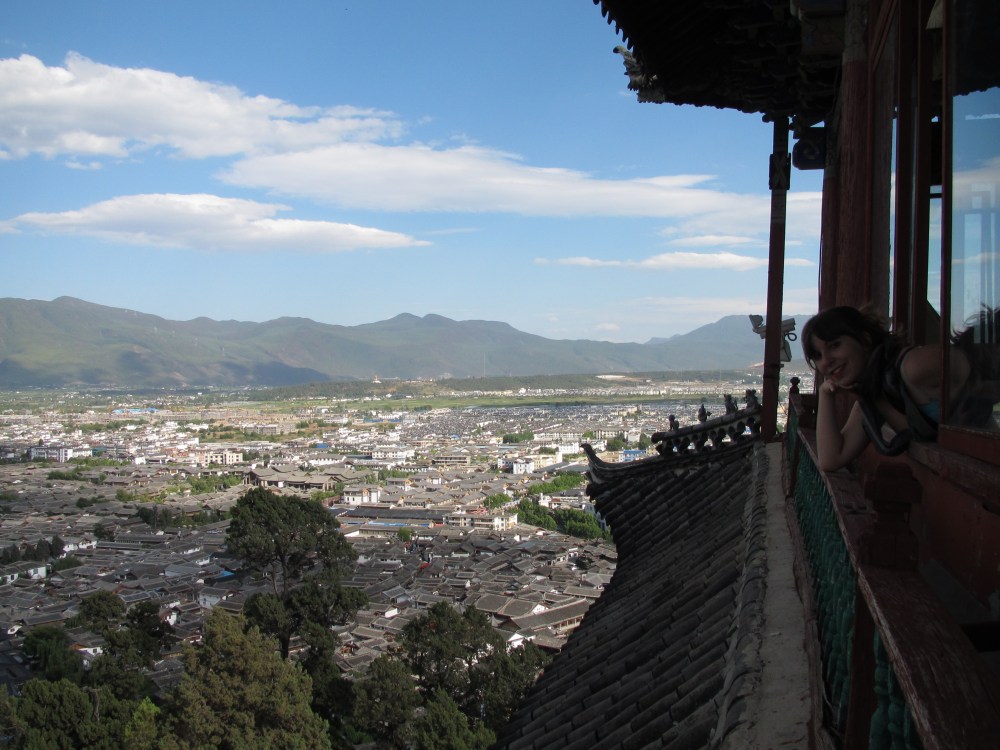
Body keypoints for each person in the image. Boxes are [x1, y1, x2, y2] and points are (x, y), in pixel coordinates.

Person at [801, 306, 972, 471]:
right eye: (817, 356)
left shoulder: (912, 367)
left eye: (835, 345)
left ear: (865, 340)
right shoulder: (873, 399)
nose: (826, 361)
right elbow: (831, 459)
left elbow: (984, 365)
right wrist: (825, 393)